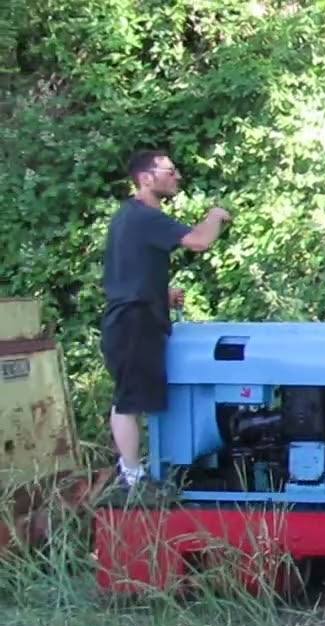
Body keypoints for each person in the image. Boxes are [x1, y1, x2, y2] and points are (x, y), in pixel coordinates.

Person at [100, 149, 232, 488]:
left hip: (134, 317)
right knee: (128, 400)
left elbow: (126, 275)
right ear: (146, 178)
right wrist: (215, 215)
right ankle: (132, 476)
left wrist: (161, 293)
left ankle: (139, 470)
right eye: (169, 171)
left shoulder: (128, 217)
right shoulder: (145, 216)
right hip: (133, 322)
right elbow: (199, 242)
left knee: (133, 396)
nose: (176, 176)